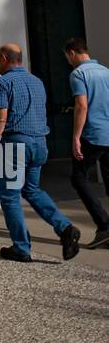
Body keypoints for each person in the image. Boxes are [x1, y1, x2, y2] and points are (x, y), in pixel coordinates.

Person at [0, 43, 79, 263]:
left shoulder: (2, 82)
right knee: (32, 190)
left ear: (4, 58)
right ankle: (65, 228)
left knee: (10, 197)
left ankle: (21, 248)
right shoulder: (37, 82)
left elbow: (1, 118)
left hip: (16, 145)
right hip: (39, 145)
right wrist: (0, 117)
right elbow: (27, 112)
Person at [64, 37, 109, 250]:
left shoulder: (78, 74)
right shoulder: (106, 71)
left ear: (72, 53)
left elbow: (81, 106)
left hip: (92, 134)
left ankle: (104, 225)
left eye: (67, 57)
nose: (68, 61)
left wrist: (75, 137)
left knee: (78, 178)